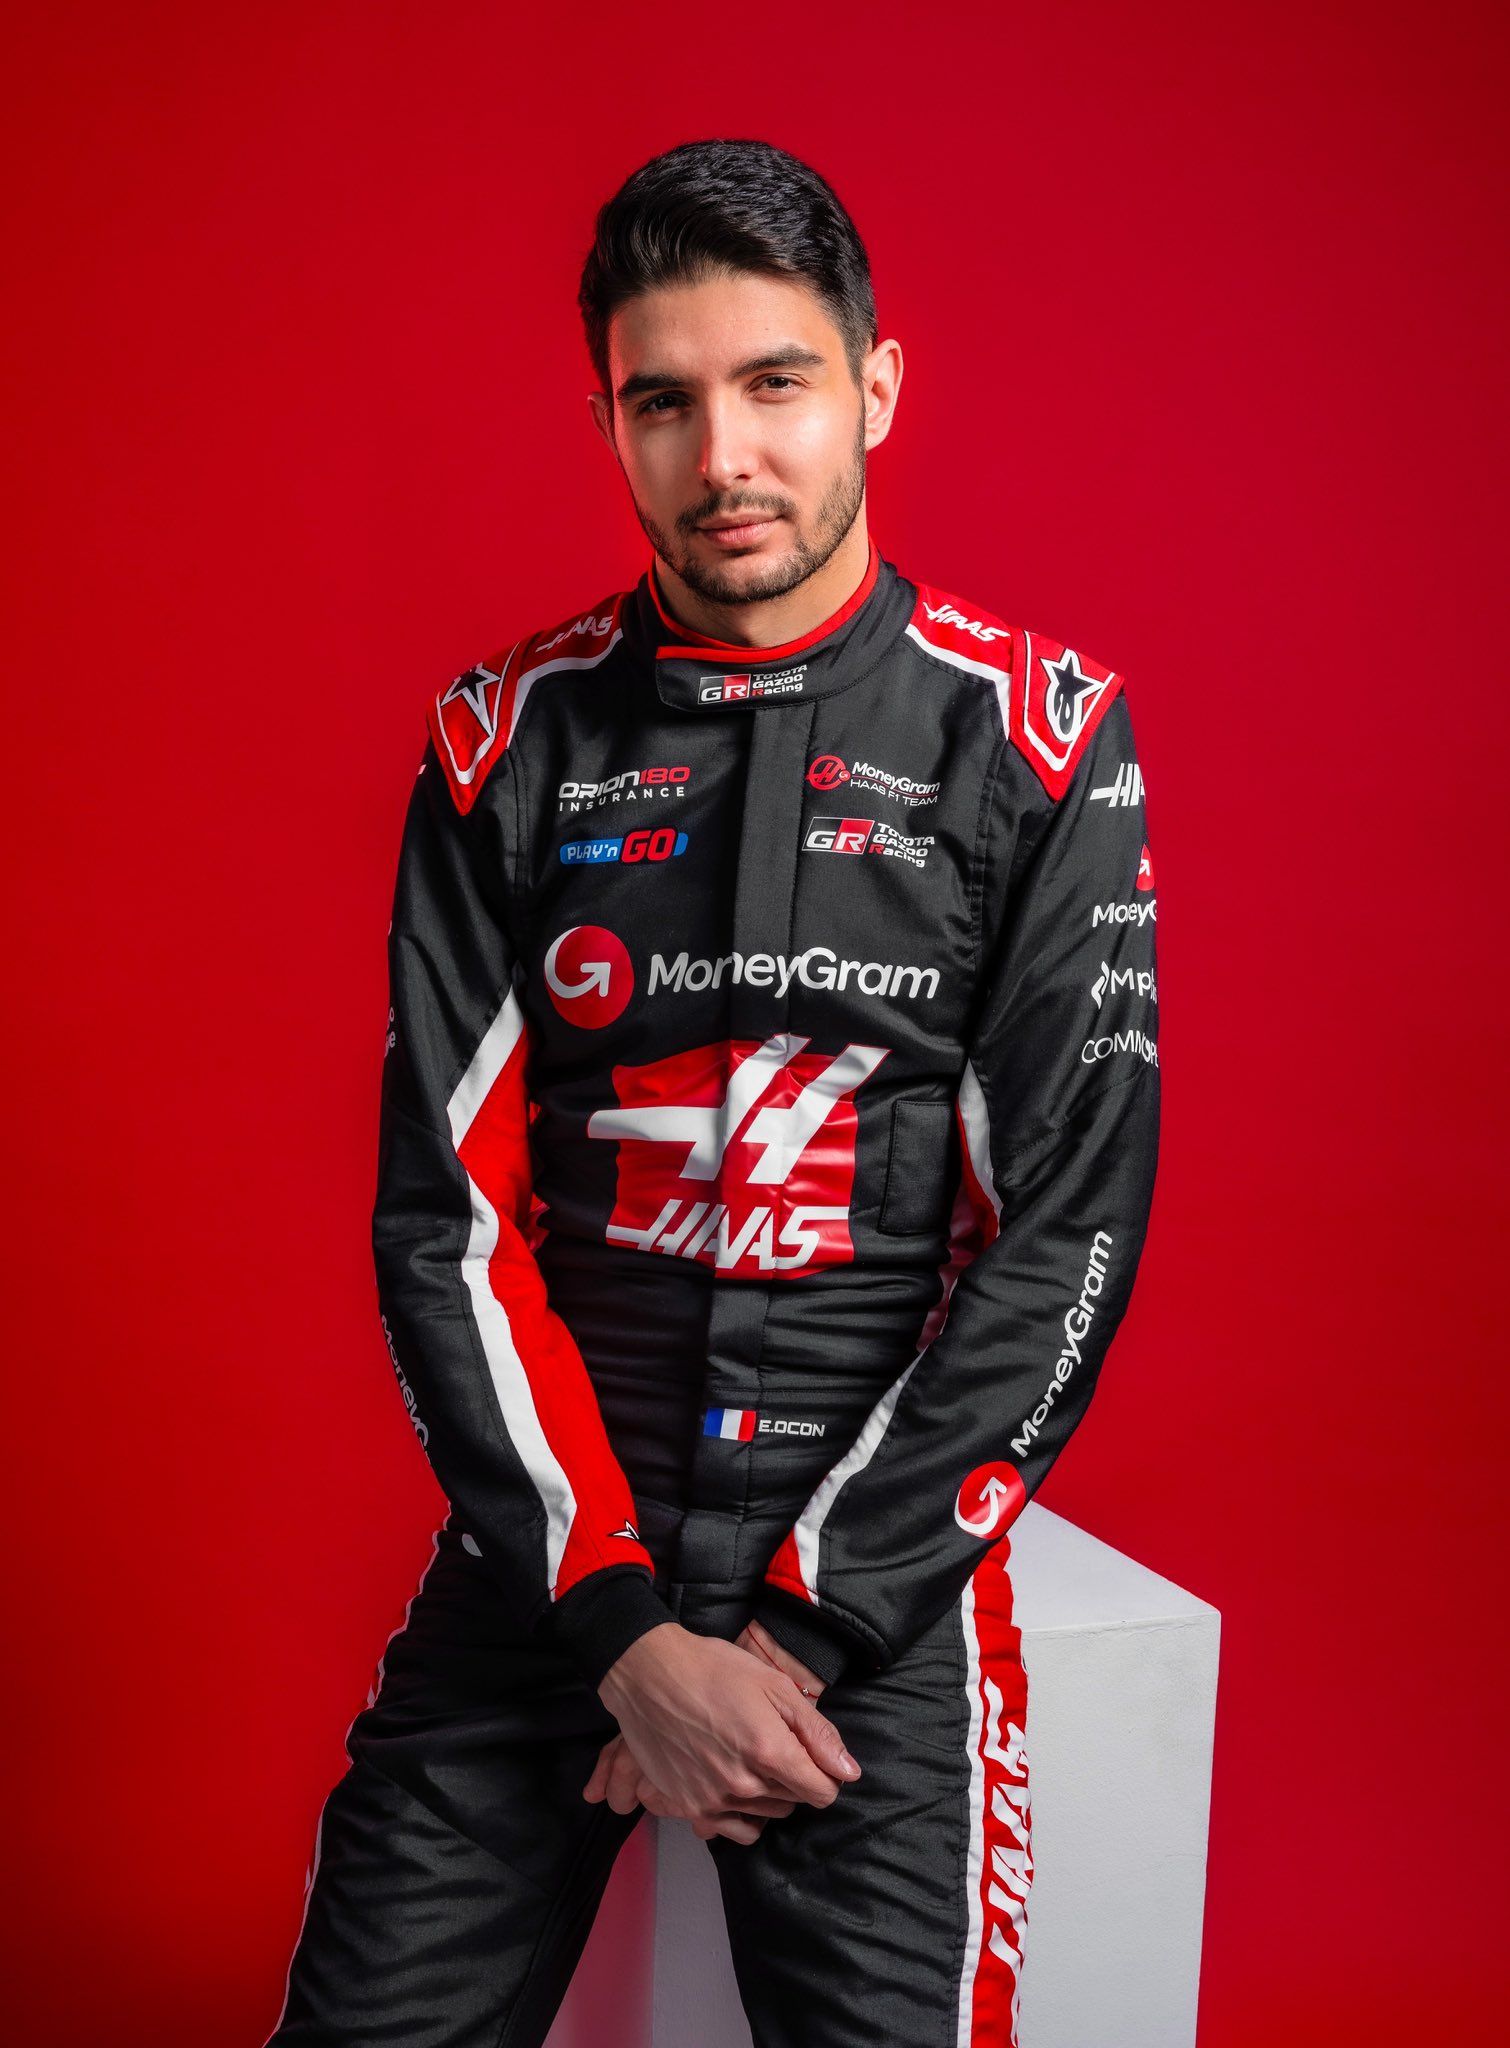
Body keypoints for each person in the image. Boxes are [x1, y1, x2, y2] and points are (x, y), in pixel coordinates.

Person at [265, 137, 1161, 2048]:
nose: (723, 456)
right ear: (606, 421)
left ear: (876, 388)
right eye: (661, 402)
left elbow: (1063, 1237)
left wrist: (793, 1638)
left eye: (774, 385)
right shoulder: (504, 739)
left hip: (872, 1575)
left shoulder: (1036, 739)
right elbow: (444, 1222)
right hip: (554, 1559)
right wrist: (619, 1636)